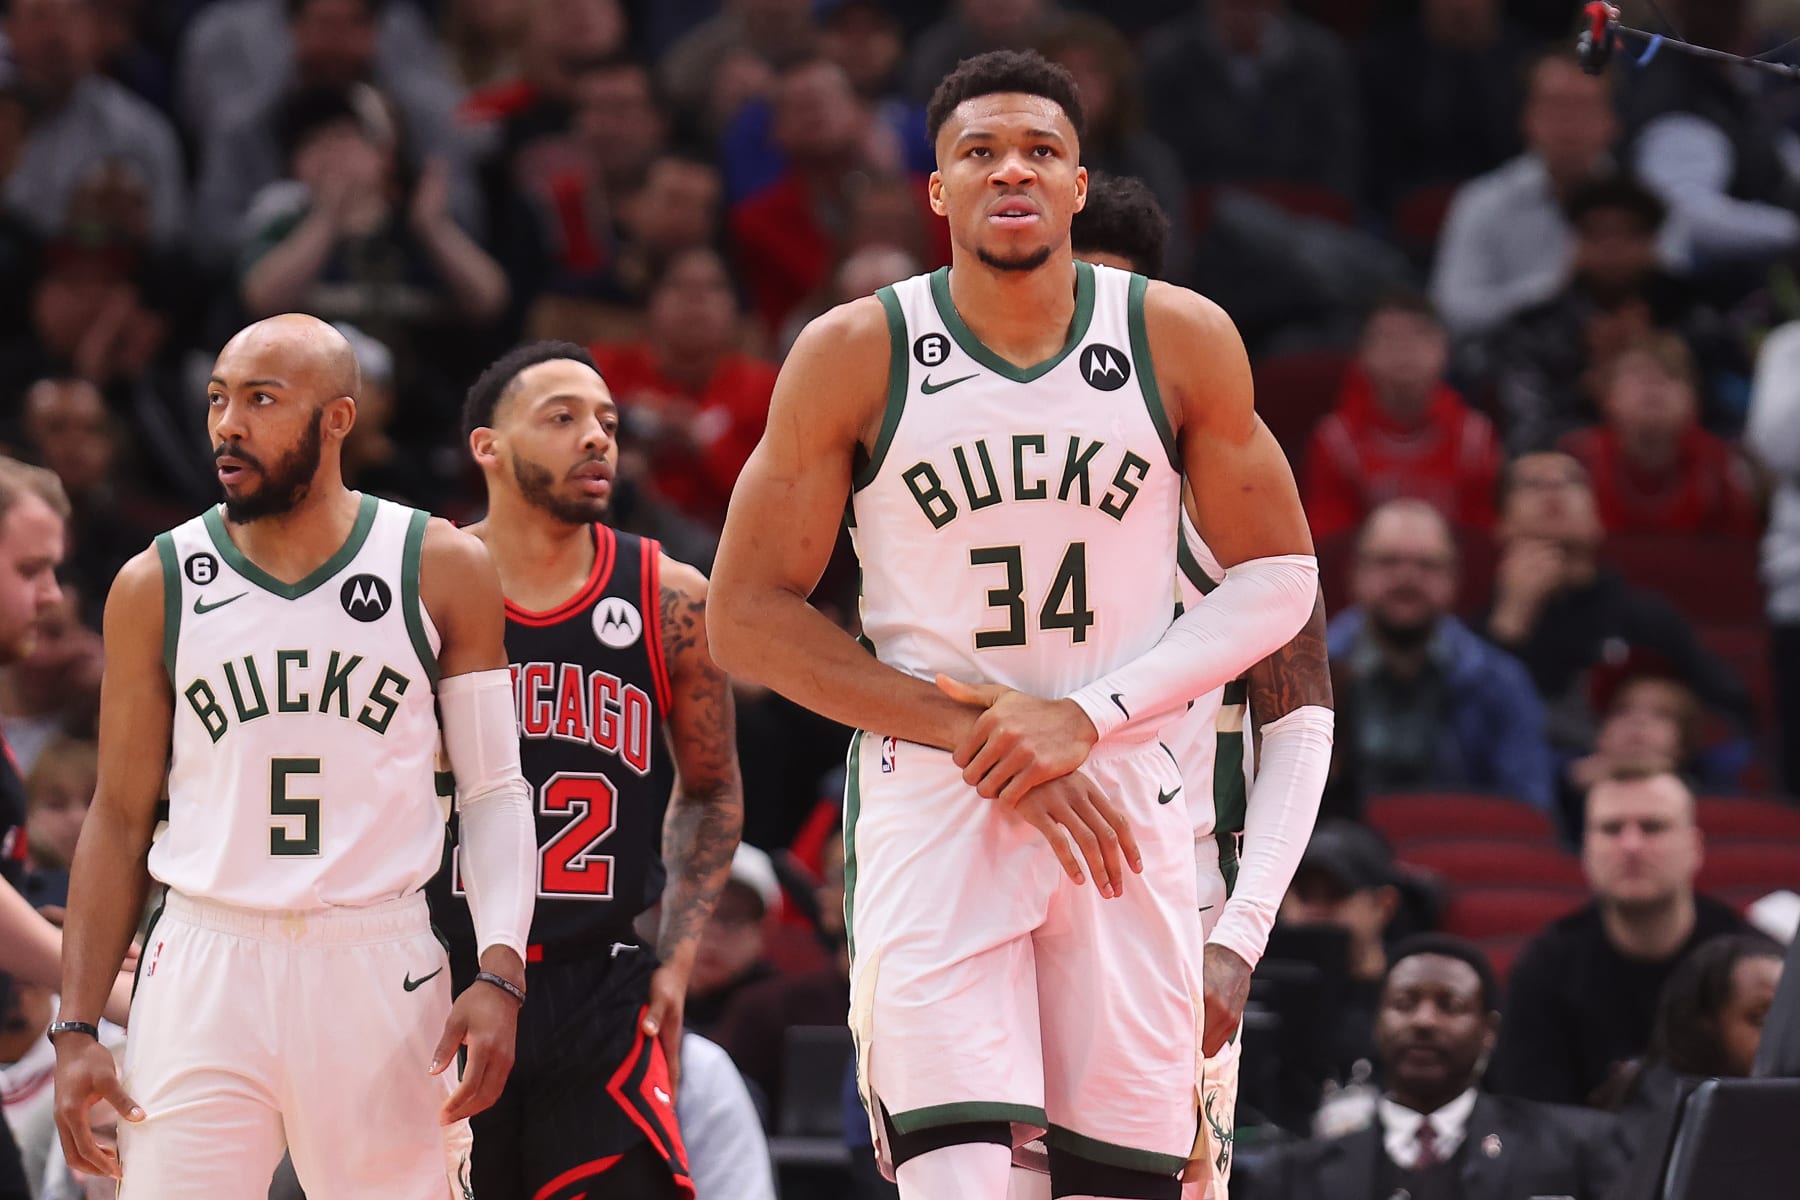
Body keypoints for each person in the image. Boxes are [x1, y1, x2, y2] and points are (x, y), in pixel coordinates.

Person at [709, 49, 1318, 1200]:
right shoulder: (854, 351)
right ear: (934, 191)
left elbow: (1281, 580)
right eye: (979, 152)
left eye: (1040, 150)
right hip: (935, 806)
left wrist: (1079, 720)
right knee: (959, 1184)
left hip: (1124, 807)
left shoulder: (1180, 339)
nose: (1012, 172)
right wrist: (986, 732)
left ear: (1080, 186)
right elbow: (744, 618)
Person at [51, 315, 538, 1197]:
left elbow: (496, 792)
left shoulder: (439, 564)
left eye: (261, 400)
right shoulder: (155, 582)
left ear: (338, 419)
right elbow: (119, 817)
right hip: (204, 958)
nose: (227, 425)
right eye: (217, 399)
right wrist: (77, 1024)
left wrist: (501, 969)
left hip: (376, 957)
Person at [428, 340, 742, 1198]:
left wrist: (674, 959)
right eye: (562, 418)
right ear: (487, 446)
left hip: (598, 985)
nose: (596, 438)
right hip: (435, 980)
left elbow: (710, 788)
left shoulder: (668, 594)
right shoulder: (420, 590)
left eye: (606, 421)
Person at [1073, 174, 1335, 1199]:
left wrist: (1242, 931)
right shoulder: (947, 473)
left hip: (1174, 905)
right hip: (993, 880)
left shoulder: (1227, 480)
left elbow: (1301, 718)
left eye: (1123, 310)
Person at [1249, 936, 1626, 1200]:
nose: (1424, 1021)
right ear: (1378, 1022)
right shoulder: (1295, 1176)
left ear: (1489, 1031)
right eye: (1404, 1002)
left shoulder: (1576, 1151)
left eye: (1450, 1005)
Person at [1491, 768, 1746, 1106]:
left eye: (1653, 827)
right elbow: (1531, 1126)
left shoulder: (1747, 965)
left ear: (1694, 846)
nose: (1631, 845)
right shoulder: (1543, 970)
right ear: (1585, 849)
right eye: (1611, 829)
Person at [1327, 500, 1554, 811]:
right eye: (1388, 562)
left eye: (1427, 565)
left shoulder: (1501, 681)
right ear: (1355, 574)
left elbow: (1530, 811)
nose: (1407, 577)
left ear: (1453, 578)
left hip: (1467, 850)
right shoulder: (1310, 677)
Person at [1302, 292, 1501, 542]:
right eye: (1388, 337)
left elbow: (1483, 538)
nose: (1404, 350)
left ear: (1445, 351)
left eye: (1420, 335)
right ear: (1362, 354)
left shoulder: (1476, 437)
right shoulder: (1334, 440)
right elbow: (1329, 541)